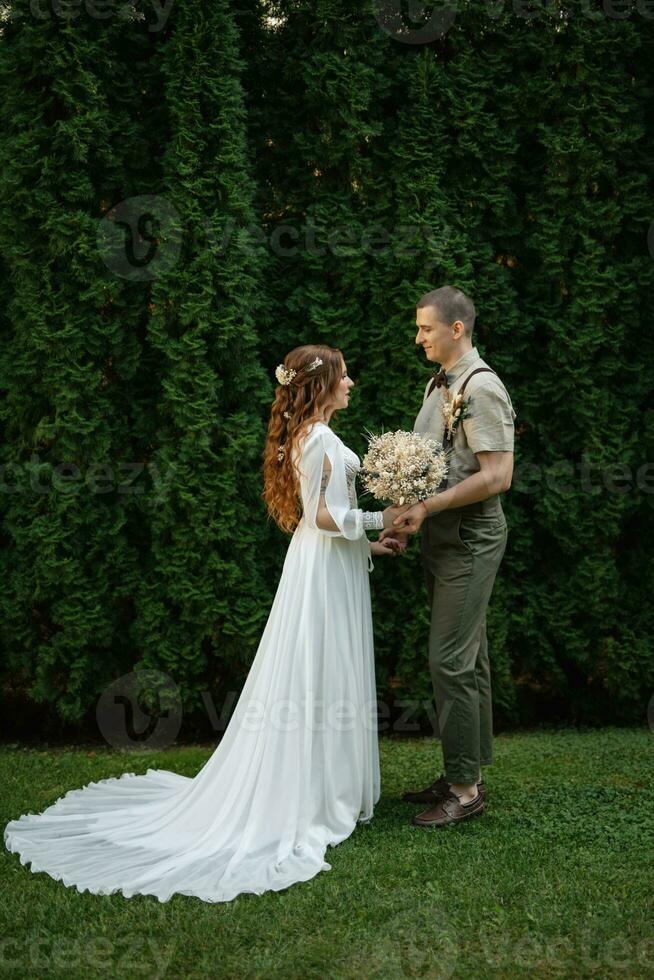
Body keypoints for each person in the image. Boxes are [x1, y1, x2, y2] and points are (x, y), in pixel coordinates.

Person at [4, 344, 406, 903]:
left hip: (329, 564)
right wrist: (380, 515)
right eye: (345, 375)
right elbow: (319, 516)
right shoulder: (315, 440)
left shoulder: (314, 436)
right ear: (322, 384)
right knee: (316, 666)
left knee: (328, 667)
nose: (353, 383)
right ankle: (314, 797)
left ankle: (326, 786)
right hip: (319, 569)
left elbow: (329, 516)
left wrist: (373, 539)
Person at [382, 286, 516, 828]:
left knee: (451, 660)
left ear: (456, 329)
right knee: (470, 657)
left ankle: (464, 790)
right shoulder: (440, 383)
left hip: (470, 539)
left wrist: (428, 507)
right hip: (443, 536)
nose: (418, 338)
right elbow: (433, 462)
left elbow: (497, 477)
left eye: (425, 329)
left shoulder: (481, 389)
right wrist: (406, 506)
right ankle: (466, 771)